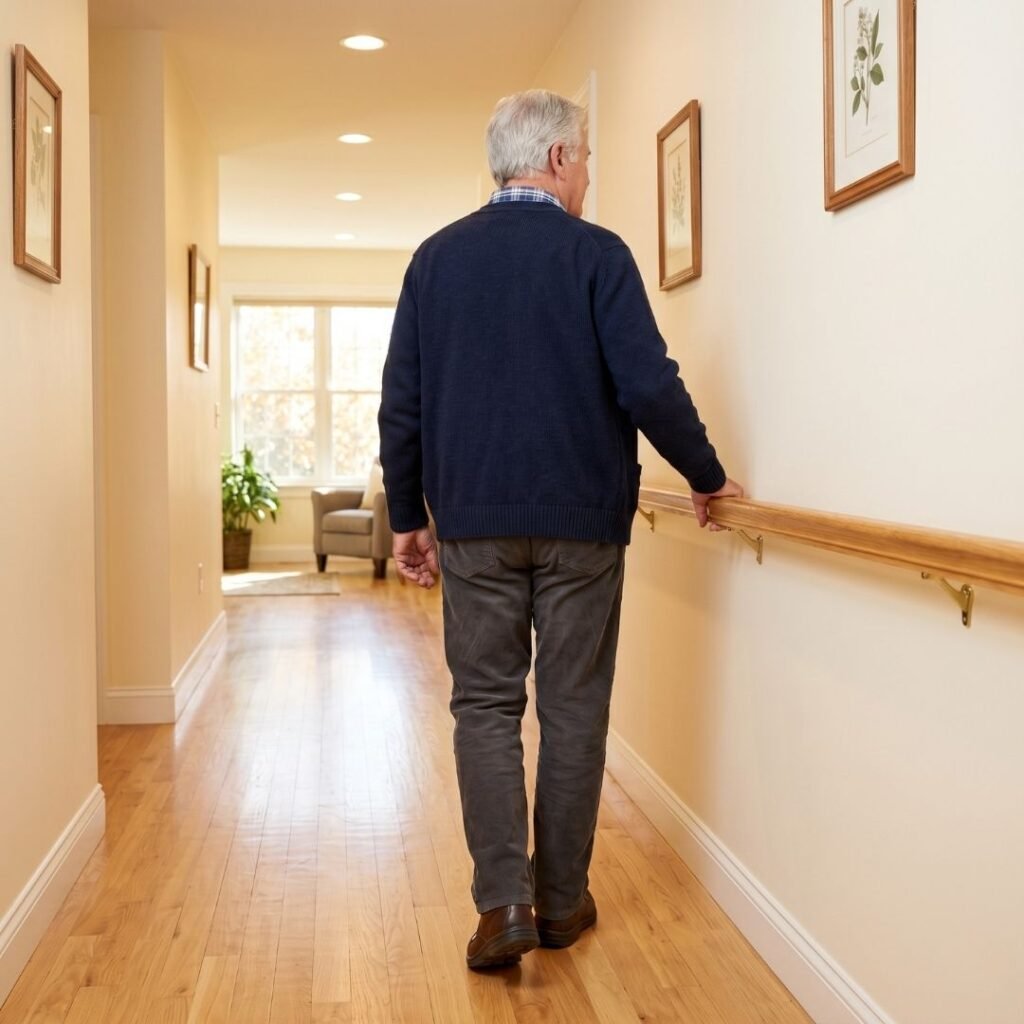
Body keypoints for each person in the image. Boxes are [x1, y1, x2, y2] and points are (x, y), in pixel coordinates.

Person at [378, 89, 743, 970]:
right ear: (553, 161)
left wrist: (408, 518)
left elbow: (402, 405)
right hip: (583, 526)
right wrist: (707, 474)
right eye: (583, 159)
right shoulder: (597, 256)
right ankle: (561, 899)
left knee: (486, 708)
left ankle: (502, 904)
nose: (586, 176)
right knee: (574, 711)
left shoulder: (436, 261)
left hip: (474, 527)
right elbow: (648, 383)